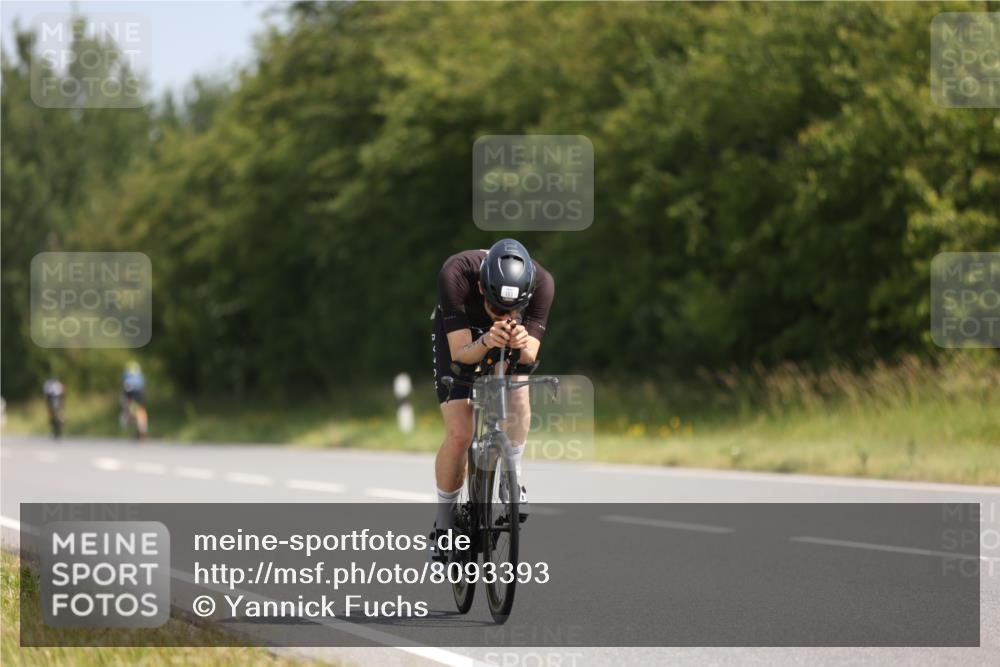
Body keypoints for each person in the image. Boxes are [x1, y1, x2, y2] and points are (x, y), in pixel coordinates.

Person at [430, 239, 554, 560]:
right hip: (464, 336)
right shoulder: (455, 274)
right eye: (497, 309)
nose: (503, 316)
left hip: (506, 340)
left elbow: (529, 355)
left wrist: (520, 338)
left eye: (512, 310)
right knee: (460, 433)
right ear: (482, 290)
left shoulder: (542, 284)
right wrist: (486, 338)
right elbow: (460, 354)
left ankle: (514, 479)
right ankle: (443, 525)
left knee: (518, 385)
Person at [120, 361, 148, 439]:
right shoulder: (140, 375)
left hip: (131, 396)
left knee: (130, 413)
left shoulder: (126, 375)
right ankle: (142, 430)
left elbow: (125, 389)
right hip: (139, 395)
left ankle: (136, 430)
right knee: (140, 412)